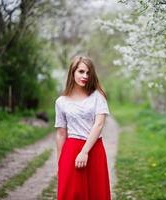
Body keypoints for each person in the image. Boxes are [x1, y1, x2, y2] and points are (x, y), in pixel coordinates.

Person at [54, 55, 111, 200]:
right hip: (71, 149)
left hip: (94, 149)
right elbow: (61, 133)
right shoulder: (61, 102)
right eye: (81, 71)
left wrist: (84, 151)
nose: (85, 76)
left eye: (88, 73)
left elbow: (98, 125)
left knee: (96, 193)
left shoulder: (98, 96)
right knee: (71, 194)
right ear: (72, 72)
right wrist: (60, 162)